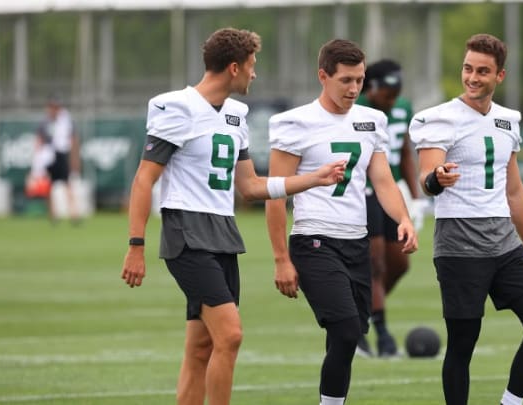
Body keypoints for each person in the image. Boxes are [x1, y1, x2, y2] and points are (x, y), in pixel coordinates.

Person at [120, 28, 346, 405]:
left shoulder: (236, 114)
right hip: (187, 233)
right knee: (230, 335)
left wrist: (312, 179)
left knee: (201, 347)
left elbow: (251, 186)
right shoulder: (175, 106)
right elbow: (145, 178)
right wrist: (136, 245)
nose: (255, 73)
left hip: (223, 234)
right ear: (234, 67)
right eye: (252, 65)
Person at [265, 39, 418, 405]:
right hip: (314, 240)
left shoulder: (372, 120)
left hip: (356, 242)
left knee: (345, 337)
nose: (353, 88)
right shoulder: (295, 122)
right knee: (348, 332)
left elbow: (383, 180)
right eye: (346, 80)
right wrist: (281, 258)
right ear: (323, 76)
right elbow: (275, 193)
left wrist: (404, 218)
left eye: (359, 80)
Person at [408, 33, 523, 405]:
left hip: (505, 243)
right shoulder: (440, 117)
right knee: (462, 344)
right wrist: (436, 179)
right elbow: (426, 178)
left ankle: (510, 402)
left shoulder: (508, 120)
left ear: (499, 76)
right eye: (468, 69)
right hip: (459, 245)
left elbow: (515, 191)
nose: (472, 77)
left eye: (482, 71)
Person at [354, 59, 425, 357]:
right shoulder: (355, 107)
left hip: (391, 192)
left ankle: (359, 313)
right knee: (375, 263)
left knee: (399, 263)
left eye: (396, 95)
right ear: (371, 88)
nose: (392, 101)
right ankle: (380, 334)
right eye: (387, 94)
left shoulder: (402, 108)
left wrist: (417, 198)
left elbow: (405, 153)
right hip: (364, 191)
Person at [35, 96, 81, 223]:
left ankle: (74, 214)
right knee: (48, 187)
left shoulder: (65, 121)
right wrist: (37, 160)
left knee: (67, 184)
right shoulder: (44, 123)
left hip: (61, 156)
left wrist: (74, 159)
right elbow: (39, 140)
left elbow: (72, 140)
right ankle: (52, 214)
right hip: (48, 157)